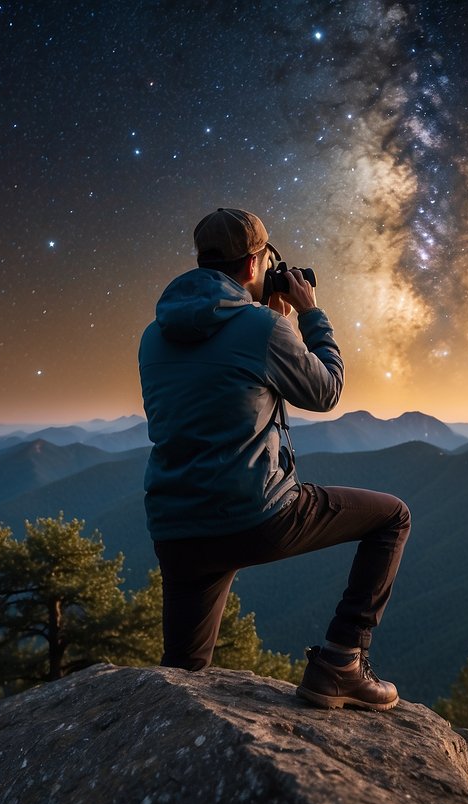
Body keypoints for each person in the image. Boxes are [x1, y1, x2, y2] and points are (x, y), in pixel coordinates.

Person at [138, 207, 411, 711]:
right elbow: (326, 392)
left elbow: (213, 399)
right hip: (255, 515)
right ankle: (341, 661)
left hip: (176, 526)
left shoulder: (154, 335)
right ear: (252, 265)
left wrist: (270, 321)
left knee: (182, 673)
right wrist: (309, 315)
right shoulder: (262, 328)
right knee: (392, 517)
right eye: (267, 262)